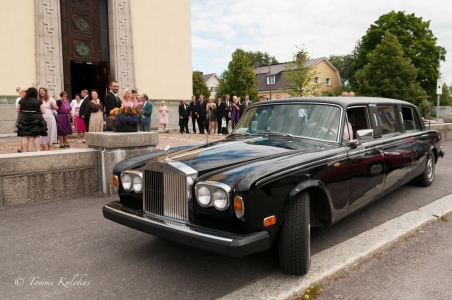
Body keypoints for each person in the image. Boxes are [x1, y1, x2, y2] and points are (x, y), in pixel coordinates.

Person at [16, 87, 48, 152]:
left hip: (24, 119)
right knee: (36, 135)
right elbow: (43, 111)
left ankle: (25, 150)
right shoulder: (38, 101)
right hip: (35, 119)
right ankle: (37, 150)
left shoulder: (22, 100)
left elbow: (17, 110)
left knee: (25, 135)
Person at [14, 87, 27, 152]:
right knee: (24, 133)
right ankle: (21, 148)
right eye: (25, 91)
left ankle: (21, 148)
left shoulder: (25, 99)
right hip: (22, 116)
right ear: (21, 92)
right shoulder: (19, 99)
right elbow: (18, 109)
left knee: (25, 134)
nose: (26, 92)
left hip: (25, 115)